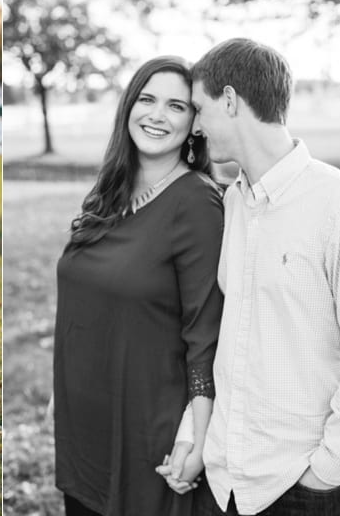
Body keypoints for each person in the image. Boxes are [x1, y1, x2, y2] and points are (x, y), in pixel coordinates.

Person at [188, 37, 340, 515]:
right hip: (225, 483)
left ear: (229, 100)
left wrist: (327, 470)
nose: (196, 126)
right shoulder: (232, 202)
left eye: (200, 109)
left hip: (302, 488)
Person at [52, 56, 224, 515]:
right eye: (147, 99)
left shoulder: (198, 204)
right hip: (84, 424)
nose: (156, 115)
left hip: (150, 431)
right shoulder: (108, 192)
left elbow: (204, 333)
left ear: (194, 125)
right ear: (128, 106)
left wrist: (198, 438)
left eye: (176, 106)